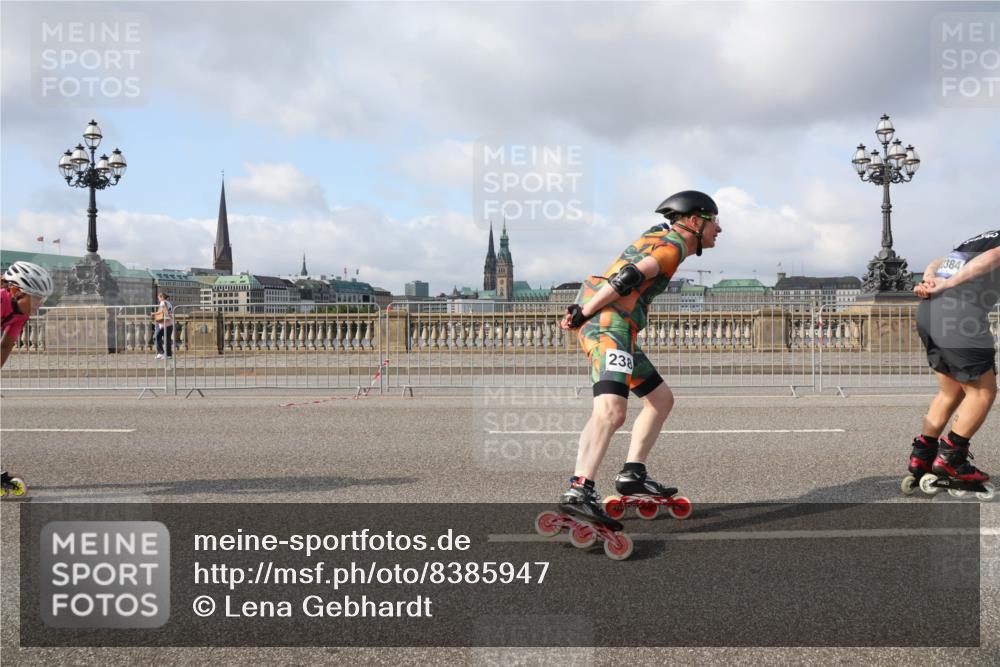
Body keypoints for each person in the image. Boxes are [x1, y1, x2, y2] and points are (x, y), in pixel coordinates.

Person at [557, 190, 722, 527]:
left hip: (620, 329)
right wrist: (582, 313)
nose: (718, 229)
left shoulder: (662, 235)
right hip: (608, 326)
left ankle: (633, 473)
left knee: (660, 400)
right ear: (694, 222)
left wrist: (583, 308)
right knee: (611, 411)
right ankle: (579, 489)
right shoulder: (673, 246)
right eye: (713, 221)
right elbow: (629, 276)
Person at [907, 229, 999, 499]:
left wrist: (930, 281)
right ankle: (951, 459)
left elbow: (937, 262)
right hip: (960, 314)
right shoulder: (993, 246)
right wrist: (949, 285)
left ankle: (922, 456)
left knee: (952, 391)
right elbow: (996, 256)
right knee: (983, 392)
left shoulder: (978, 239)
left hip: (930, 310)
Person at [1, 261, 54, 498]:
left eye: (42, 299)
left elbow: (5, 346)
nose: (38, 305)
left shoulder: (21, 314)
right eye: (34, 299)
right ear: (15, 291)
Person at [153, 292, 174, 359]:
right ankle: (168, 354)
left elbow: (165, 311)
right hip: (170, 323)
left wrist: (166, 315)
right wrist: (154, 313)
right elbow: (164, 311)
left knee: (156, 337)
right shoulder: (169, 303)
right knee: (167, 339)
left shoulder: (162, 302)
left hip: (164, 323)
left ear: (161, 297)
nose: (158, 299)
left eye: (159, 297)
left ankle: (161, 352)